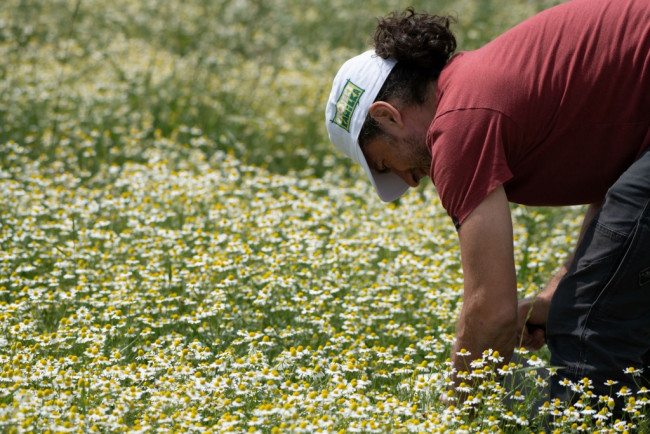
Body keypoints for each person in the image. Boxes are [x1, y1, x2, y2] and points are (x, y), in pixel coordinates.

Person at [325, 0, 650, 406]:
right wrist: (555, 292)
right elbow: (621, 196)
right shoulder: (476, 86)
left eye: (382, 163)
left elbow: (492, 310)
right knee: (607, 308)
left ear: (388, 116)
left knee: (587, 324)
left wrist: (458, 413)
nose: (408, 181)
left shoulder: (459, 122)